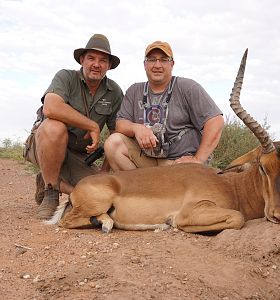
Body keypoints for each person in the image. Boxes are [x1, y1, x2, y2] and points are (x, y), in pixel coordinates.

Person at [26, 34, 123, 219]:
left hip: (78, 155)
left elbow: (115, 134)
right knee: (53, 127)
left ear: (109, 66)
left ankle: (51, 182)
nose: (97, 64)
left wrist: (103, 172)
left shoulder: (115, 92)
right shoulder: (66, 77)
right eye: (91, 58)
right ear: (82, 60)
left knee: (97, 191)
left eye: (103, 60)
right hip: (45, 145)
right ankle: (50, 192)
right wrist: (93, 126)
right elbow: (50, 107)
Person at [104, 40, 224, 171]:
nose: (157, 65)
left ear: (172, 64)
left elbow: (215, 121)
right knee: (113, 143)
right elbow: (120, 123)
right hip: (147, 160)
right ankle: (139, 189)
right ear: (145, 64)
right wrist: (136, 128)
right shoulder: (134, 90)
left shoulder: (188, 87)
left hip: (180, 163)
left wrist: (198, 159)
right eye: (152, 59)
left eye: (163, 60)